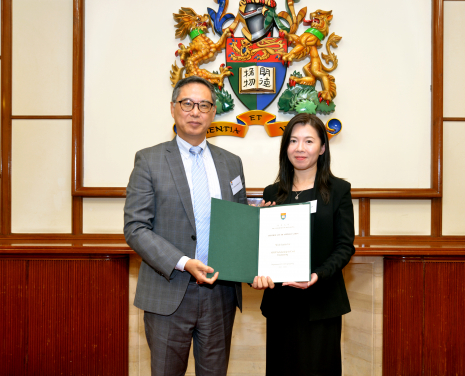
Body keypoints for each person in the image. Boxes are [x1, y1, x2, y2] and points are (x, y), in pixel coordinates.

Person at [124, 76, 247, 376]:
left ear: (213, 112)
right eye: (187, 104)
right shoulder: (149, 160)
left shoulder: (232, 162)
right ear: (172, 108)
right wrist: (183, 262)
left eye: (204, 105)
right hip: (169, 293)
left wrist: (260, 223)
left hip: (220, 294)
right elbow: (136, 227)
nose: (195, 112)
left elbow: (239, 219)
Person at [251, 113, 355, 376]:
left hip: (321, 301)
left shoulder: (338, 190)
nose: (300, 148)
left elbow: (345, 246)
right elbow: (262, 247)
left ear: (321, 148)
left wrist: (317, 274)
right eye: (293, 141)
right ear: (285, 147)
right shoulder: (272, 194)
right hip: (281, 305)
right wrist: (261, 227)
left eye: (309, 141)